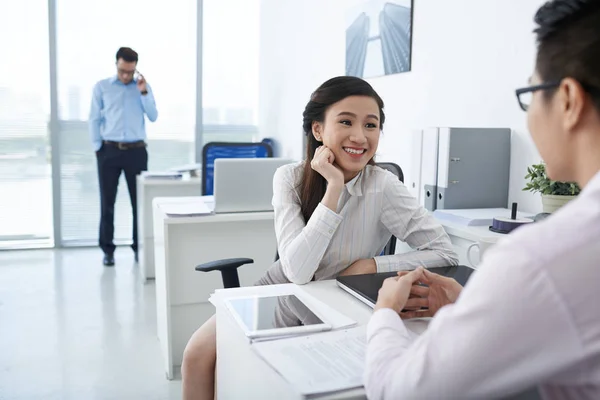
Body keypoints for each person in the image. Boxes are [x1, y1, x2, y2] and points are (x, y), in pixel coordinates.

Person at [365, 0, 600, 398]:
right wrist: (476, 305)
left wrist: (385, 311)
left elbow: (397, 392)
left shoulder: (542, 259)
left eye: (529, 95)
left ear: (567, 101)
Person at [181, 76, 459, 399]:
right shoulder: (289, 178)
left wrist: (373, 264)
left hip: (336, 296)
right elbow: (297, 272)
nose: (360, 136)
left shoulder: (383, 186)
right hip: (282, 286)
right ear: (318, 130)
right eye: (345, 121)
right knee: (197, 355)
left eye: (371, 125)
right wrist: (334, 189)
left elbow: (444, 252)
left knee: (274, 379)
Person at [89, 47, 158, 266]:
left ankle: (139, 248)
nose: (126, 75)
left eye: (130, 71)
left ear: (135, 67)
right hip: (109, 151)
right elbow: (93, 119)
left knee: (138, 203)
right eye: (122, 71)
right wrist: (98, 149)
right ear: (116, 65)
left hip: (136, 152)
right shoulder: (102, 87)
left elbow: (153, 116)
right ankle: (108, 250)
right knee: (107, 203)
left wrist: (144, 92)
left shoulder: (142, 88)